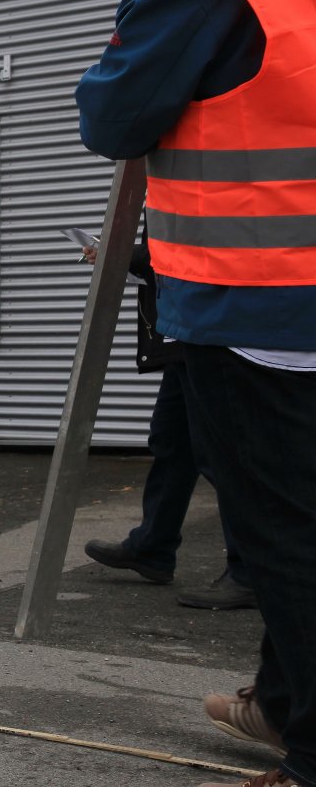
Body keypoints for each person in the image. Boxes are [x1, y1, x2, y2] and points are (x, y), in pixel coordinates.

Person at [76, 0, 316, 787]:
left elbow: (115, 113)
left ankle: (311, 768)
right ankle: (282, 701)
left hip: (255, 299)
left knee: (282, 533)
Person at [79, 236, 253, 610]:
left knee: (221, 455)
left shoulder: (195, 196)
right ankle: (152, 547)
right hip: (182, 332)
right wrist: (125, 256)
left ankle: (250, 573)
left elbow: (192, 246)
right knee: (173, 443)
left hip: (207, 329)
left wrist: (124, 253)